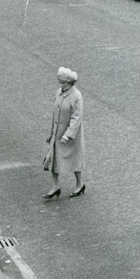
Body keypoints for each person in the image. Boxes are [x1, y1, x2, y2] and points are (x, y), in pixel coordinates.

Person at [43, 67, 86, 200]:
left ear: (71, 83)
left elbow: (76, 118)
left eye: (64, 84)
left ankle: (80, 184)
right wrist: (51, 134)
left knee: (74, 159)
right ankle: (55, 186)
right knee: (53, 159)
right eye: (61, 83)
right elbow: (55, 116)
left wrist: (68, 135)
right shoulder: (59, 93)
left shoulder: (76, 96)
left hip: (70, 136)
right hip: (57, 134)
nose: (62, 86)